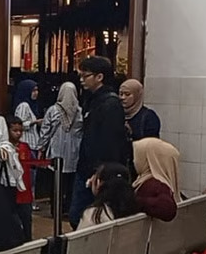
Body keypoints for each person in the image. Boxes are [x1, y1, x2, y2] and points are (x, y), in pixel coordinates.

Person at [69, 56, 129, 229]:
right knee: (80, 216)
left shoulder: (110, 104)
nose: (81, 80)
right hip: (87, 167)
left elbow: (109, 141)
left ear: (100, 77)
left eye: (85, 75)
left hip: (98, 171)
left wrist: (99, 171)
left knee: (87, 216)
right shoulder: (92, 99)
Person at [39, 81, 83, 215]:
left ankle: (56, 209)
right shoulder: (79, 111)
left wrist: (41, 147)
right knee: (71, 183)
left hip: (56, 151)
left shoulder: (53, 110)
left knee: (56, 183)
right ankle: (69, 208)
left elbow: (46, 130)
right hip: (74, 152)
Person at [7, 117, 48, 239]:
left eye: (20, 131)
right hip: (10, 192)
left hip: (25, 193)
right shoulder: (4, 148)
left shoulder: (25, 147)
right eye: (15, 130)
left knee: (26, 221)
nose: (18, 133)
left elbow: (33, 165)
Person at [132, 138, 181, 222]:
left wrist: (133, 202)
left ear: (148, 159)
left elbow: (167, 209)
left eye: (138, 156)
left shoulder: (155, 185)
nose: (134, 161)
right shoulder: (149, 180)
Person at [13, 79, 44, 209]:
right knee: (28, 175)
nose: (36, 93)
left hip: (32, 143)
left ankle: (31, 200)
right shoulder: (24, 106)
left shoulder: (32, 105)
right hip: (26, 144)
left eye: (37, 90)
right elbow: (19, 124)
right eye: (33, 90)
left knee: (32, 175)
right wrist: (35, 122)